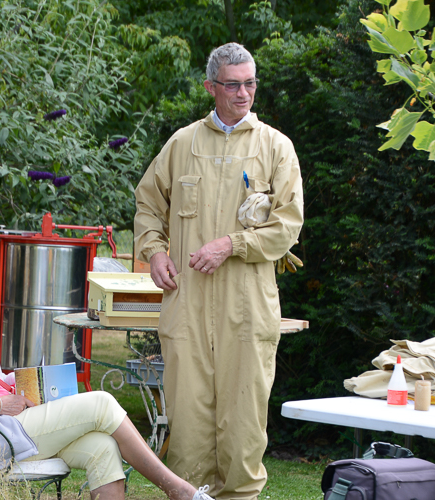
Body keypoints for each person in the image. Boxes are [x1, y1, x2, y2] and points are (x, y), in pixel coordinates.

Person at [0, 242, 215, 500]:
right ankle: (178, 490)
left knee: (102, 447)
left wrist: (25, 382)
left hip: (12, 420)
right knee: (101, 403)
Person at [134, 43, 303, 499]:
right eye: (232, 85)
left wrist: (232, 244)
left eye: (250, 83)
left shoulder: (276, 147)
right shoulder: (182, 144)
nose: (243, 93)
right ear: (211, 87)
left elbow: (287, 226)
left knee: (244, 427)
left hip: (248, 309)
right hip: (186, 303)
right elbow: (148, 204)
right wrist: (155, 252)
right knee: (187, 424)